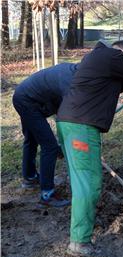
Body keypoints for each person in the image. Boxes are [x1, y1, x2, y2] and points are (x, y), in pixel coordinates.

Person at [56, 29, 123, 257]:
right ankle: (79, 242)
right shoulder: (111, 56)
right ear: (121, 54)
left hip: (70, 124)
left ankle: (79, 237)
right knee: (89, 185)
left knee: (82, 183)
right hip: (82, 129)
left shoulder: (96, 61)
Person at [12, 63, 78, 207]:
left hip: (23, 95)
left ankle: (30, 177)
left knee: (32, 139)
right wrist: (62, 146)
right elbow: (66, 118)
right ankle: (47, 194)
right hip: (27, 102)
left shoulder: (71, 72)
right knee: (50, 147)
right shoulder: (70, 83)